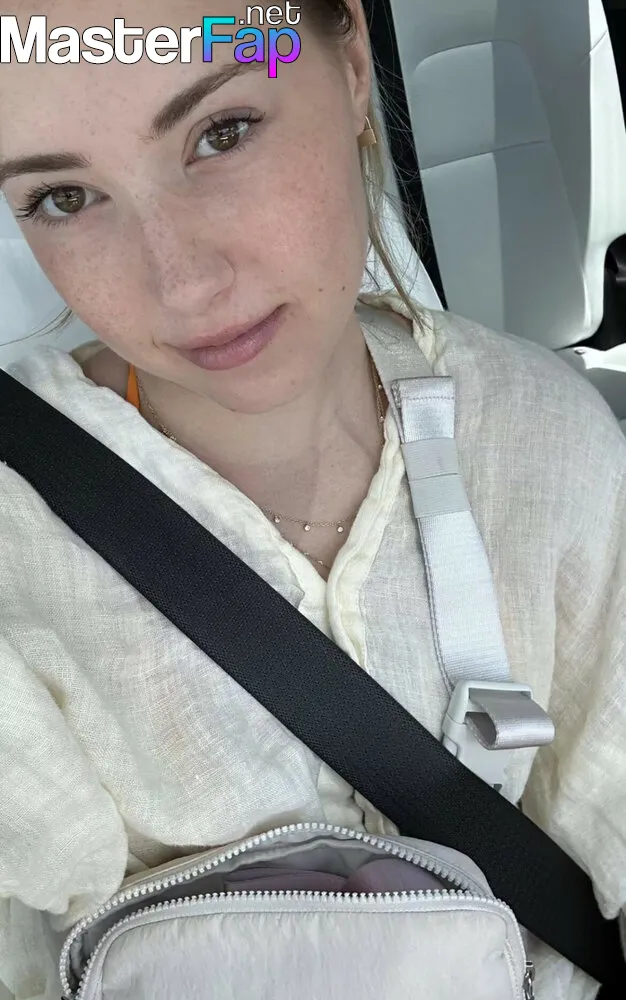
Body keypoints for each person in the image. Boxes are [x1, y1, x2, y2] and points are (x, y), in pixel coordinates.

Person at [0, 0, 624, 997]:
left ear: (352, 68)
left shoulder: (548, 442)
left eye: (222, 132)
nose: (182, 282)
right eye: (64, 197)